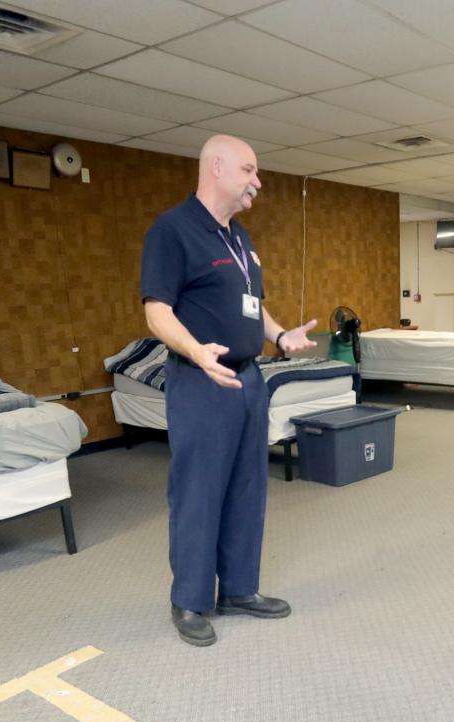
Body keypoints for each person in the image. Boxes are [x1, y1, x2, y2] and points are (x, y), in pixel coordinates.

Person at [140, 134, 317, 647]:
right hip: (202, 379)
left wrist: (280, 336)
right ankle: (191, 600)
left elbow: (251, 305)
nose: (257, 182)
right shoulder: (172, 230)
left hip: (249, 379)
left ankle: (239, 589)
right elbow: (156, 309)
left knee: (247, 488)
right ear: (216, 167)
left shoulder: (239, 238)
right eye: (248, 170)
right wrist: (195, 351)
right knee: (199, 491)